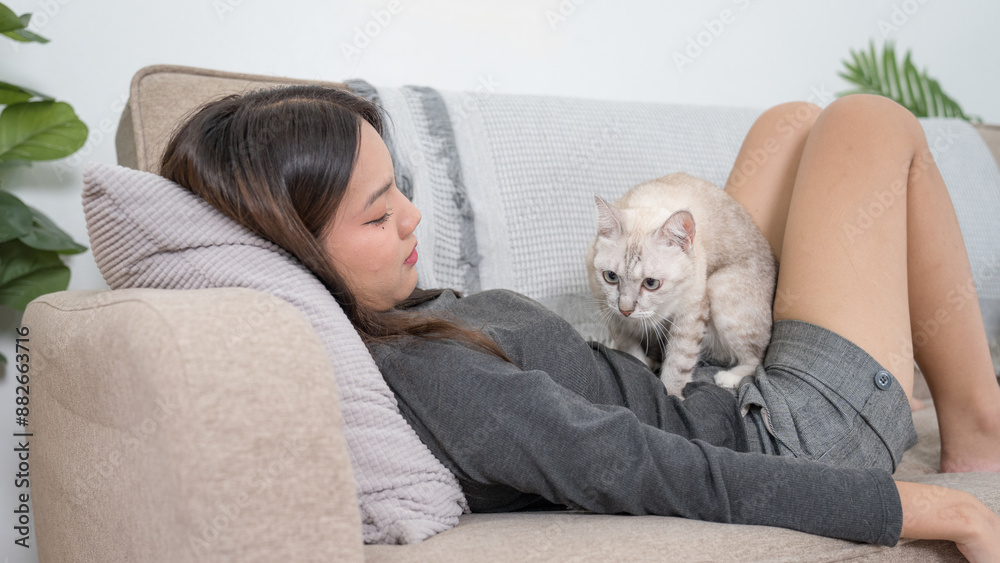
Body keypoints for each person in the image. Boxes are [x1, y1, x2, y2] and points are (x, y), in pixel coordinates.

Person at [159, 84, 1000, 559]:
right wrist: (943, 508)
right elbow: (660, 471)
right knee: (869, 122)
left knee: (791, 123)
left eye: (399, 190)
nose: (414, 220)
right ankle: (979, 427)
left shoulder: (383, 319)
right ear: (294, 250)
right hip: (790, 431)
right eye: (379, 217)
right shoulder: (437, 378)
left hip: (715, 375)